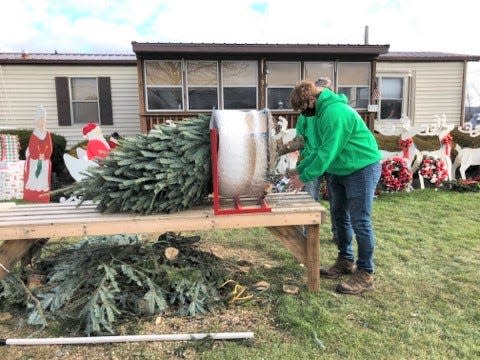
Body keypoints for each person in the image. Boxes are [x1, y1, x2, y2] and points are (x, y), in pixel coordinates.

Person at [288, 80, 382, 295]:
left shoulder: (335, 113)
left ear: (312, 99)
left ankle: (366, 272)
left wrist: (305, 177)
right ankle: (345, 261)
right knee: (339, 216)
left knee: (360, 220)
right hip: (339, 169)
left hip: (361, 167)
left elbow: (327, 153)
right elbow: (315, 149)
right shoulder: (317, 115)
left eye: (304, 108)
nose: (304, 113)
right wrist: (300, 169)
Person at [23, 105, 53, 203]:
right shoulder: (34, 134)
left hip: (44, 160)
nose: (43, 122)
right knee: (35, 175)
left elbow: (49, 146)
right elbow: (32, 147)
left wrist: (45, 155)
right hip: (35, 160)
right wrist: (37, 155)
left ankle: (42, 194)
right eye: (41, 120)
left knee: (43, 176)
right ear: (37, 121)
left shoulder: (47, 134)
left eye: (44, 120)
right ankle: (32, 194)